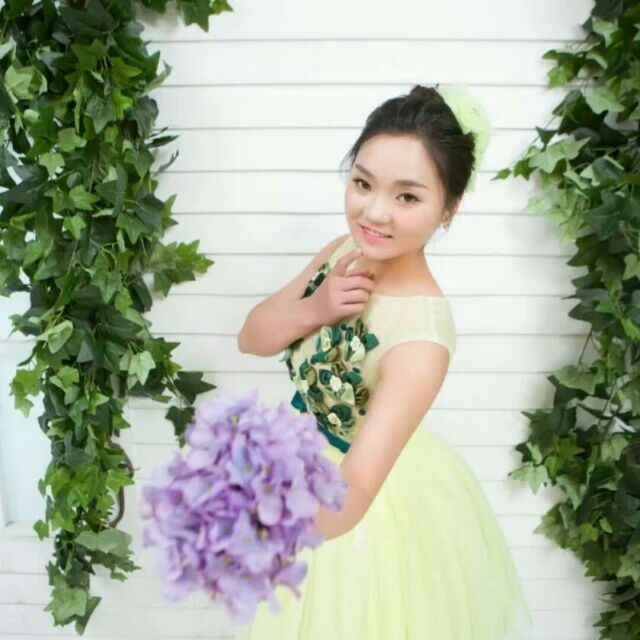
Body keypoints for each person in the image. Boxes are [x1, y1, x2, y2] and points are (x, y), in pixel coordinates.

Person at [235, 84, 533, 639]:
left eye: (407, 197)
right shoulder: (341, 254)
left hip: (360, 512)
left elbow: (349, 500)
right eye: (363, 183)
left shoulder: (422, 337)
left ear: (449, 208)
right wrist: (316, 308)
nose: (374, 212)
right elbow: (251, 337)